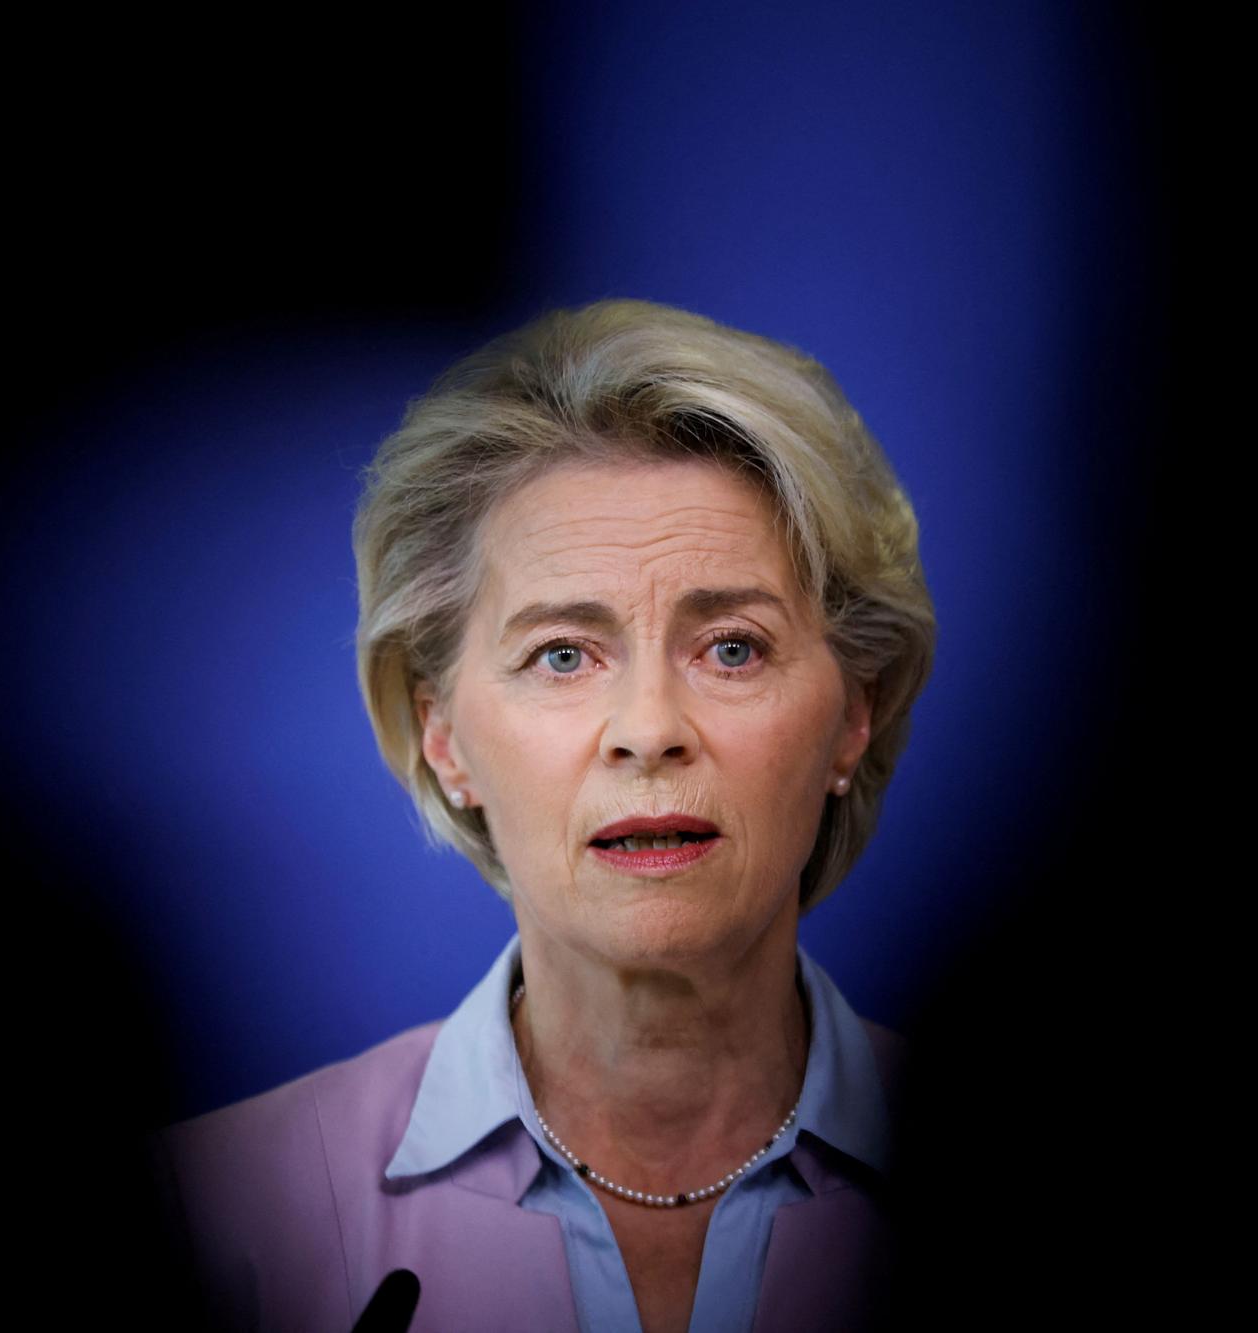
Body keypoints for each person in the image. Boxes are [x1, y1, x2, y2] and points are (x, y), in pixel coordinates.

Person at [149, 299, 938, 1333]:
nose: (647, 729)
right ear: (443, 735)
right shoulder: (217, 1216)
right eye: (562, 654)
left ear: (851, 715)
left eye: (731, 647)